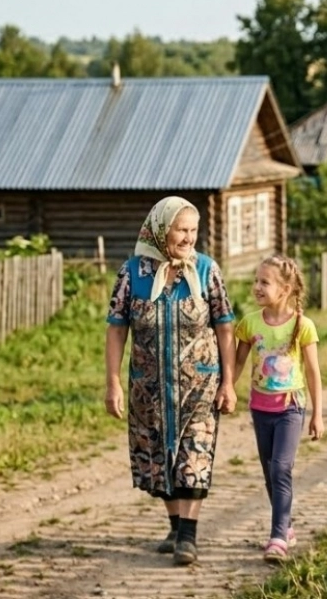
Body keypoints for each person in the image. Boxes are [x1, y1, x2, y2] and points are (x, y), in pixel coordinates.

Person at [104, 196, 237, 566]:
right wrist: (113, 382)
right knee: (160, 459)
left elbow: (225, 327)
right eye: (182, 229)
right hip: (149, 388)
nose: (188, 238)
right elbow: (117, 330)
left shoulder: (207, 271)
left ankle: (188, 537)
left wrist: (228, 382)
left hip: (200, 387)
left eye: (193, 230)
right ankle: (176, 525)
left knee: (195, 455)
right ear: (162, 229)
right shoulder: (133, 273)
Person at [232, 254, 325, 563]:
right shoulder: (250, 323)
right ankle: (286, 525)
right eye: (255, 281)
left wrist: (318, 414)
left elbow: (312, 372)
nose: (257, 287)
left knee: (281, 468)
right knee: (270, 473)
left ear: (284, 289)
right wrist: (227, 387)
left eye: (264, 282)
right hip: (260, 408)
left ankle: (277, 538)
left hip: (290, 408)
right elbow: (239, 362)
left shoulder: (303, 326)